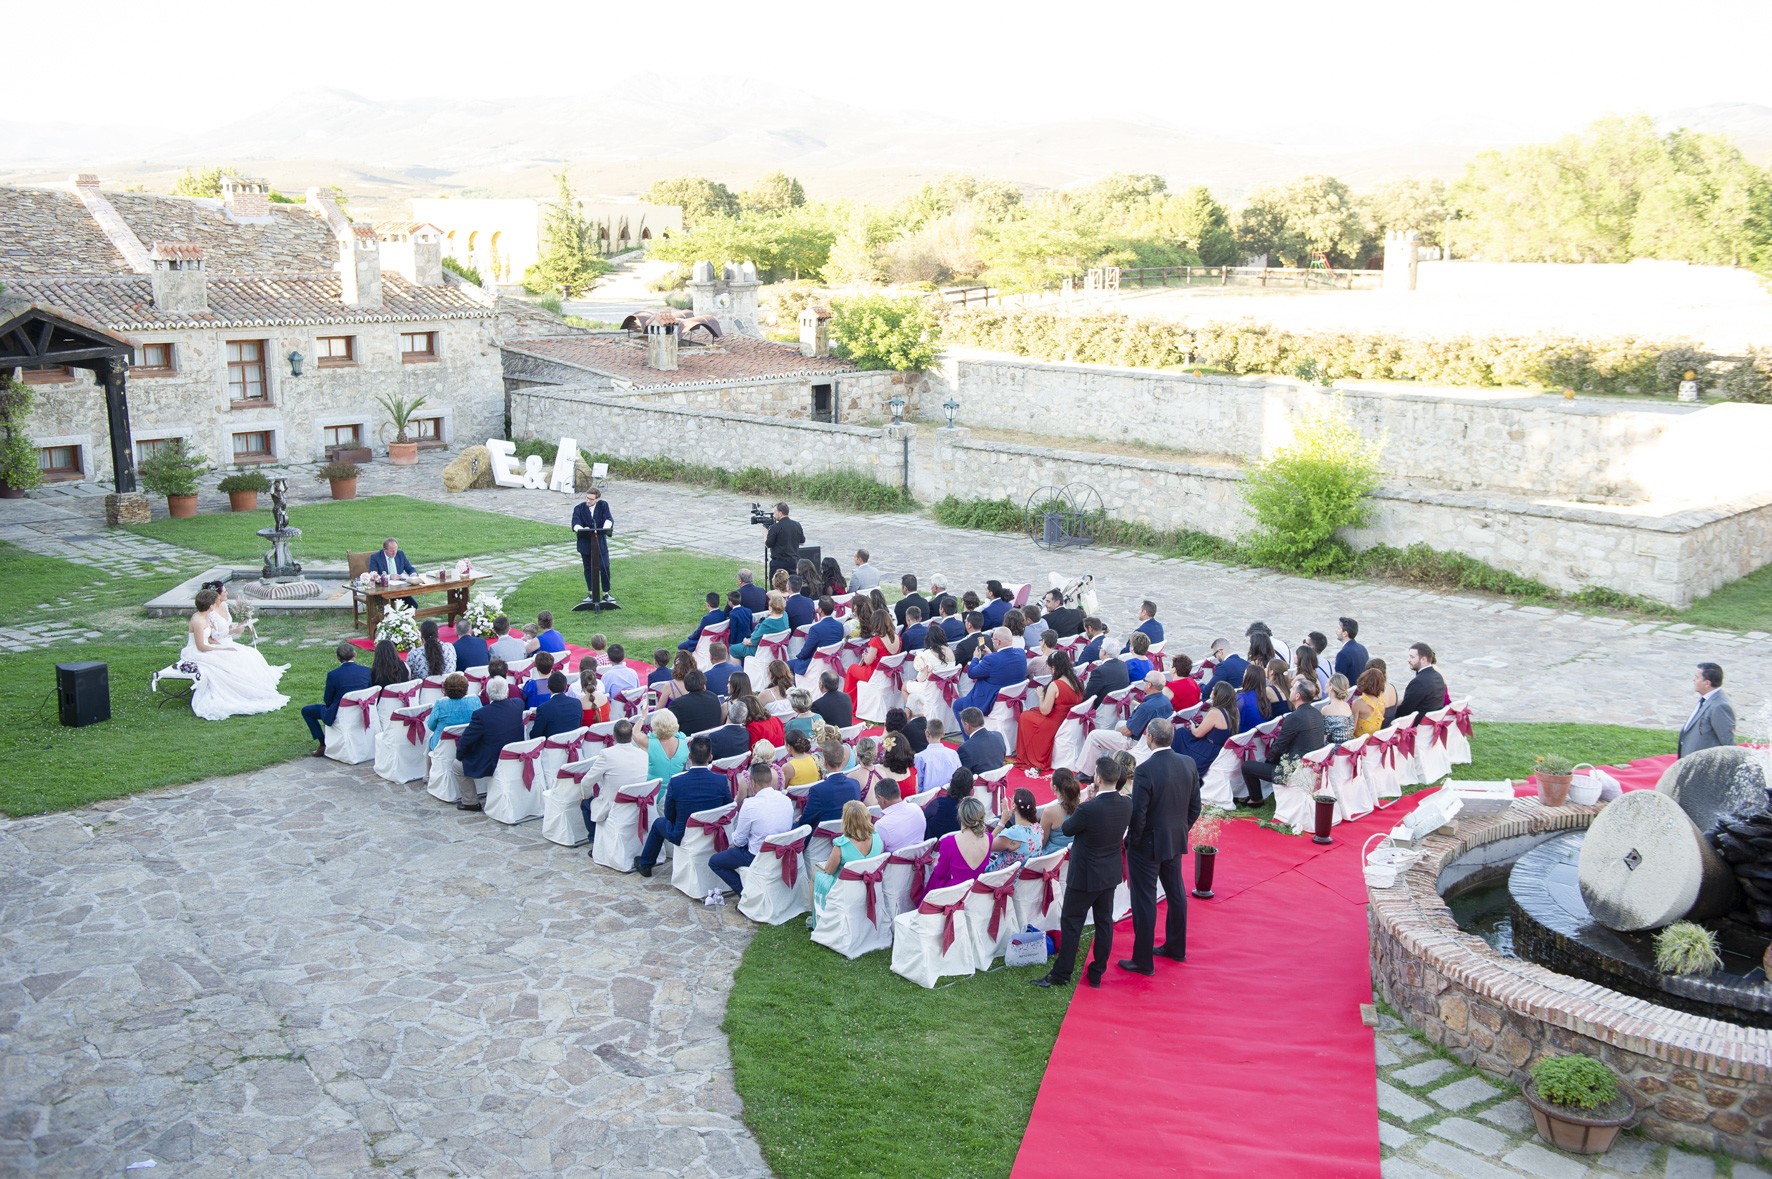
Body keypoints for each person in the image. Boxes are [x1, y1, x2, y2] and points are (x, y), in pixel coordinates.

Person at [1032, 756, 1134, 989]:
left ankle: (1062, 974)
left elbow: (1068, 828)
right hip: (1109, 874)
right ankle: (1097, 971)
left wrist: (1086, 800)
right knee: (1104, 922)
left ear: (1098, 778)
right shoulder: (1127, 803)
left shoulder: (1089, 808)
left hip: (1085, 874)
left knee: (1071, 922)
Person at [1120, 719, 1200, 975]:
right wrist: (1180, 829)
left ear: (1150, 738)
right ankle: (1176, 947)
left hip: (1147, 844)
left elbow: (1139, 814)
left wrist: (1134, 840)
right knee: (1176, 894)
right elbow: (1195, 807)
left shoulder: (1146, 770)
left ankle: (1143, 961)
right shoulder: (1187, 763)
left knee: (1144, 900)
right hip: (1174, 839)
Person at [183, 587, 290, 723]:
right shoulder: (198, 620)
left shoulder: (204, 616)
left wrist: (218, 644)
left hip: (209, 647)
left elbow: (208, 638)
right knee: (229, 661)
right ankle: (243, 691)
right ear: (210, 605)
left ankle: (253, 685)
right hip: (197, 652)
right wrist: (222, 650)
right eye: (213, 603)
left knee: (237, 656)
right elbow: (201, 646)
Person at [635, 737, 731, 876]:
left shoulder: (676, 781)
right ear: (710, 757)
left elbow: (669, 814)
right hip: (711, 833)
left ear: (689, 756)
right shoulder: (721, 781)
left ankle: (645, 864)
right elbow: (728, 808)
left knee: (658, 823)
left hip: (682, 835)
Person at [711, 763, 793, 896]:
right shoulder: (786, 800)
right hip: (780, 853)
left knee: (715, 861)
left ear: (753, 782)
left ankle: (745, 893)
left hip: (757, 856)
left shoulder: (749, 805)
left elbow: (739, 842)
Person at [1240, 680, 1325, 807]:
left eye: (1292, 689)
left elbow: (1279, 746)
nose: (1289, 690)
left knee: (1247, 766)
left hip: (1293, 771)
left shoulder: (1294, 717)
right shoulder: (1317, 713)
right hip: (1311, 768)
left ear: (1297, 696)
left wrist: (1268, 762)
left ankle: (1256, 799)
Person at [455, 676, 525, 812]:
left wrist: (460, 755)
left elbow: (466, 740)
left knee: (457, 766)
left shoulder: (481, 715)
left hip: (492, 760)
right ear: (507, 693)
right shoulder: (518, 705)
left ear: (487, 694)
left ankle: (470, 802)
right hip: (515, 757)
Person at [578, 718, 649, 852]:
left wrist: (587, 797)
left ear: (614, 736)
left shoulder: (606, 754)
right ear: (630, 735)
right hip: (638, 804)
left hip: (614, 805)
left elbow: (586, 782)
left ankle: (596, 843)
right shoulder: (643, 754)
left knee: (585, 802)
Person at [1079, 669, 1171, 770]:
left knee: (1094, 736)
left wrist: (1120, 731)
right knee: (1119, 723)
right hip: (1152, 738)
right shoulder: (1166, 701)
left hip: (1137, 742)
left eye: (1144, 681)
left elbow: (1127, 732)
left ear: (1149, 685)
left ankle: (1086, 773)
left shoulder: (1147, 707)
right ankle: (1112, 762)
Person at [809, 799, 882, 925]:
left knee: (816, 872)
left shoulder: (841, 845)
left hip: (845, 888)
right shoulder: (876, 836)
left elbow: (829, 871)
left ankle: (814, 916)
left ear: (846, 820)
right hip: (869, 883)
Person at [1015, 650, 1085, 776]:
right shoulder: (1077, 681)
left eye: (1050, 668)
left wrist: (1041, 696)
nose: (1049, 671)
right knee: (1031, 713)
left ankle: (1027, 755)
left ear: (1054, 668)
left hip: (1054, 721)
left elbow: (1045, 711)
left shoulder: (1056, 685)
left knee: (1024, 716)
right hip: (1066, 719)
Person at [300, 639, 368, 750]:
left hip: (340, 712)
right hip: (363, 710)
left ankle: (322, 743)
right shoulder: (367, 671)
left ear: (337, 657)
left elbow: (328, 700)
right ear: (354, 654)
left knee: (306, 711)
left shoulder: (333, 675)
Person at [926, 797, 993, 893]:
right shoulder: (989, 838)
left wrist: (935, 863)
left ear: (960, 816)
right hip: (977, 890)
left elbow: (940, 873)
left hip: (956, 892)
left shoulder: (948, 842)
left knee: (934, 879)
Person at [955, 628, 1026, 715]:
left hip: (990, 701)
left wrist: (976, 658)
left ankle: (974, 729)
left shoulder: (991, 659)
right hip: (1012, 696)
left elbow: (971, 673)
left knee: (957, 706)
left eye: (993, 639)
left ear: (998, 642)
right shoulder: (1021, 653)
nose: (992, 641)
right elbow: (1003, 663)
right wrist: (991, 655)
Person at [1174, 682, 1239, 775]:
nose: (1211, 689)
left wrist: (1192, 726)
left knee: (1181, 733)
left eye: (1213, 689)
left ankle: (1174, 766)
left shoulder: (1215, 712)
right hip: (1219, 749)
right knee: (1183, 733)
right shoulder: (1234, 711)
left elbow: (1197, 734)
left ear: (1218, 694)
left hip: (1208, 753)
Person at [800, 737, 863, 830]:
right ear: (843, 759)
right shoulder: (855, 784)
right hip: (848, 833)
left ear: (825, 762)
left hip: (820, 839)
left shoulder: (817, 790)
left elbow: (805, 822)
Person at [571, 487, 616, 609]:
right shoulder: (579, 508)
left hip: (599, 543)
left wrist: (606, 527)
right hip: (585, 544)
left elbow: (608, 518)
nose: (588, 501)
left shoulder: (603, 505)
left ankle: (606, 593)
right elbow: (575, 523)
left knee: (605, 566)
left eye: (591, 499)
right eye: (587, 498)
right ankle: (591, 593)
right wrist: (581, 529)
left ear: (597, 499)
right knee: (588, 568)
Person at [1679, 662, 1736, 758]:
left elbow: (1727, 742)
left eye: (1697, 677)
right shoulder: (1707, 699)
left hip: (1703, 764)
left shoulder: (1720, 706)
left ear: (1707, 683)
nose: (1694, 680)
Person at [987, 788, 1041, 872]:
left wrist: (1002, 822)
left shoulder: (1012, 834)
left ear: (1013, 806)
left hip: (1002, 878)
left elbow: (986, 846)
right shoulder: (1037, 828)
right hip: (1025, 875)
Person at [787, 597, 843, 675]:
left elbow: (805, 652)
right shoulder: (839, 626)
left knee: (785, 665)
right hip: (831, 663)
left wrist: (798, 657)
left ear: (820, 610)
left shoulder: (815, 629)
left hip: (814, 663)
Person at [425, 672, 481, 749]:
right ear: (466, 689)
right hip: (470, 744)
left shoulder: (440, 703)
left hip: (442, 747)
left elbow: (431, 726)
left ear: (445, 690)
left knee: (430, 740)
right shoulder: (475, 700)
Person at [638, 709, 690, 791]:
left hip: (654, 795)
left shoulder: (649, 743)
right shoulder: (684, 742)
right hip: (677, 792)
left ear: (654, 725)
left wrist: (643, 717)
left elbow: (634, 732)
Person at [871, 776, 924, 852]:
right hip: (919, 855)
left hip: (894, 863)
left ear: (881, 799)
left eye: (877, 798)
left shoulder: (881, 825)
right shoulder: (916, 809)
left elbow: (877, 853)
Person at [1398, 642, 1449, 720]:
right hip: (1432, 721)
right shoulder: (1438, 676)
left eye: (1412, 657)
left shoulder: (1418, 682)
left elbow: (1404, 711)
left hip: (1418, 724)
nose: (1409, 660)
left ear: (1423, 659)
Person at [731, 591, 788, 660]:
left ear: (771, 607)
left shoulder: (767, 623)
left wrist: (745, 641)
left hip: (760, 650)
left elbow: (752, 642)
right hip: (775, 646)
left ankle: (739, 670)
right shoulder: (785, 615)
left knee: (733, 649)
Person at [667, 668, 722, 737]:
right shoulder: (714, 697)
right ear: (704, 683)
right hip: (711, 740)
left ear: (686, 685)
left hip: (688, 743)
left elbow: (667, 727)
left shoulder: (678, 704)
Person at [869, 732, 918, 805]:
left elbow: (873, 800)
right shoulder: (912, 770)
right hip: (909, 811)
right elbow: (916, 793)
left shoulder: (877, 771)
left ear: (887, 750)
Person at [914, 717, 960, 792]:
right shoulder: (953, 754)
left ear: (926, 733)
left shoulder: (920, 757)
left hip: (928, 799)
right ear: (943, 734)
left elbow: (918, 784)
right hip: (949, 794)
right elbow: (958, 776)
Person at [924, 769, 971, 842]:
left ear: (951, 784)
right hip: (955, 846)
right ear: (970, 788)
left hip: (933, 848)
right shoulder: (970, 810)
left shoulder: (937, 804)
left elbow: (923, 819)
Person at [530, 672, 581, 738]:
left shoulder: (543, 709)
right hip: (573, 743)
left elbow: (534, 736)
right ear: (566, 687)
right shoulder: (577, 703)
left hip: (550, 747)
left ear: (548, 687)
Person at [1041, 770, 1083, 852]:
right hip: (1076, 852)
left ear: (1054, 787)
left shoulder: (1049, 811)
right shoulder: (1082, 805)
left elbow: (1042, 842)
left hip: (1056, 857)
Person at [1081, 638, 1130, 706]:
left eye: (1100, 648)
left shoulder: (1099, 671)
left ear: (1104, 652)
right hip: (1115, 707)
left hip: (1099, 709)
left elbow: (1087, 696)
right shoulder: (1123, 665)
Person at [956, 707, 1006, 774]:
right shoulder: (998, 736)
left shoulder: (965, 748)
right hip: (999, 779)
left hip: (978, 782)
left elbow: (963, 776)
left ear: (966, 725)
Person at [764, 501, 804, 577]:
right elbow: (802, 540)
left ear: (780, 513)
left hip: (778, 563)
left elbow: (768, 544)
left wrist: (765, 533)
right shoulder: (797, 525)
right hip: (793, 562)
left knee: (777, 585)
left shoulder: (775, 527)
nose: (774, 515)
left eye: (775, 512)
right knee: (792, 584)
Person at [1238, 664, 1277, 732]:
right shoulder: (1265, 698)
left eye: (1245, 673)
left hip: (1243, 738)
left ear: (1248, 677)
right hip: (1260, 737)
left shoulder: (1241, 698)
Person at [1351, 666, 1387, 738]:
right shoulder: (1382, 701)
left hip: (1359, 742)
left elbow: (1353, 729)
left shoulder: (1358, 703)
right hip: (1373, 740)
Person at [1321, 675, 1356, 744]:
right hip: (1347, 749)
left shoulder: (1326, 709)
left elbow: (1323, 736)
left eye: (1327, 683)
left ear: (1331, 687)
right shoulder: (1346, 706)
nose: (1325, 685)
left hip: (1334, 751)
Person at [1334, 617, 1368, 684]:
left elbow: (1338, 681)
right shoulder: (1362, 648)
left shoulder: (1343, 654)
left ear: (1345, 633)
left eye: (1338, 629)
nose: (1336, 631)